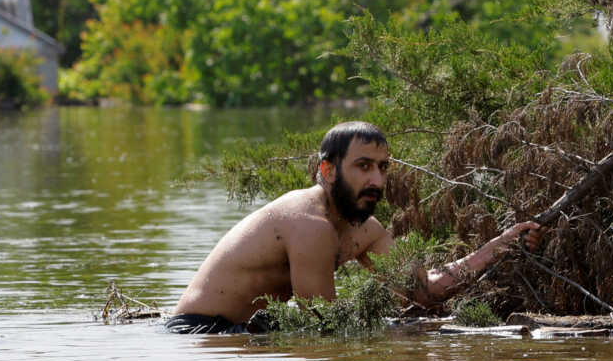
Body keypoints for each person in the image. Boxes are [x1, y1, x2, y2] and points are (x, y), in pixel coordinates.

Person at [166, 121, 540, 334]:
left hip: (244, 334)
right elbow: (326, 328)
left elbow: (424, 292)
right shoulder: (309, 224)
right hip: (201, 335)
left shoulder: (366, 230)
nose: (376, 179)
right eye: (363, 166)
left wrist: (502, 244)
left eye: (382, 167)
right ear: (328, 170)